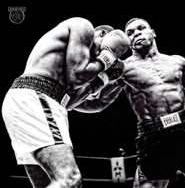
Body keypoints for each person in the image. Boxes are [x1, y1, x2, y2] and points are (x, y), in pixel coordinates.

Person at [70, 18, 185, 188]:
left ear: (153, 32)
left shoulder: (177, 61)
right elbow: (96, 102)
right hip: (153, 138)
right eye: (130, 33)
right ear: (128, 42)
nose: (136, 34)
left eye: (141, 28)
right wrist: (65, 102)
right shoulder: (123, 69)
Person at [2, 17, 130, 188]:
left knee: (49, 183)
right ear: (102, 33)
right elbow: (78, 76)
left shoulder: (66, 64)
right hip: (36, 97)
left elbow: (70, 103)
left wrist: (104, 77)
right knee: (70, 179)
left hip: (38, 101)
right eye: (104, 50)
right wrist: (107, 58)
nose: (100, 57)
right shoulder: (83, 26)